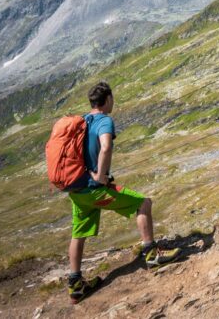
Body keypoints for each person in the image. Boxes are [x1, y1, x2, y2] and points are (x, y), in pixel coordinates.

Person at [65, 81, 175, 303]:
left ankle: (75, 285)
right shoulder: (105, 120)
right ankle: (151, 254)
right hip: (95, 189)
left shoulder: (83, 121)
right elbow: (105, 146)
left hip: (78, 191)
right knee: (143, 203)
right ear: (107, 99)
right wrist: (101, 175)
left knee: (79, 233)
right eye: (112, 98)